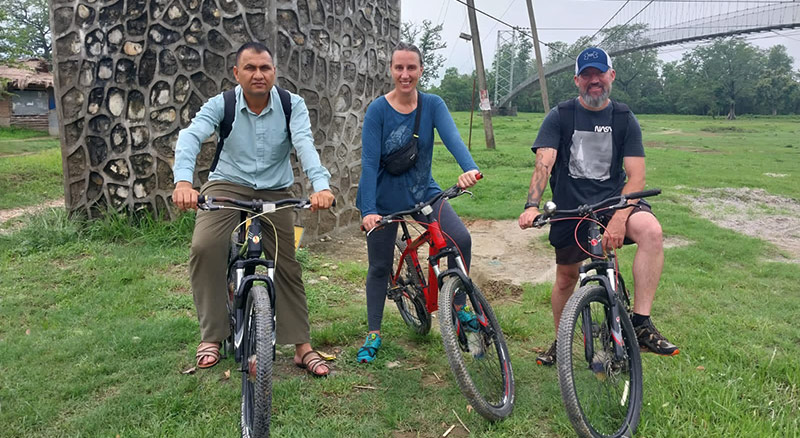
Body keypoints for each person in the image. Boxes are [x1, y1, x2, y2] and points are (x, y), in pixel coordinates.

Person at [172, 42, 336, 376]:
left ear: (274, 71)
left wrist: (321, 185)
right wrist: (183, 183)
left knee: (286, 262)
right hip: (227, 184)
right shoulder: (223, 104)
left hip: (275, 188)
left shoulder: (292, 105)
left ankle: (302, 346)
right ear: (237, 73)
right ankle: (213, 335)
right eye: (250, 68)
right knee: (206, 247)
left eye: (265, 68)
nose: (258, 75)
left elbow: (304, 143)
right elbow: (191, 137)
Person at [518, 47, 679, 366]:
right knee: (566, 278)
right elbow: (544, 162)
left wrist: (620, 219)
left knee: (651, 230)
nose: (594, 80)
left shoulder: (623, 117)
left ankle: (641, 323)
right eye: (587, 75)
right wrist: (531, 205)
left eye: (599, 73)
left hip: (615, 202)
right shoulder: (561, 115)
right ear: (577, 80)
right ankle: (562, 343)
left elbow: (636, 175)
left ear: (611, 76)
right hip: (570, 208)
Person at [355, 42, 482, 363]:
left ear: (421, 70)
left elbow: (453, 139)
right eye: (399, 68)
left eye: (411, 68)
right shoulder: (377, 111)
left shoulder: (433, 105)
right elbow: (369, 163)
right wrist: (369, 210)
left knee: (460, 240)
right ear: (391, 70)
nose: (405, 74)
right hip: (383, 200)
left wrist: (468, 167)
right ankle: (374, 332)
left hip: (424, 191)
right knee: (381, 266)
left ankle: (458, 308)